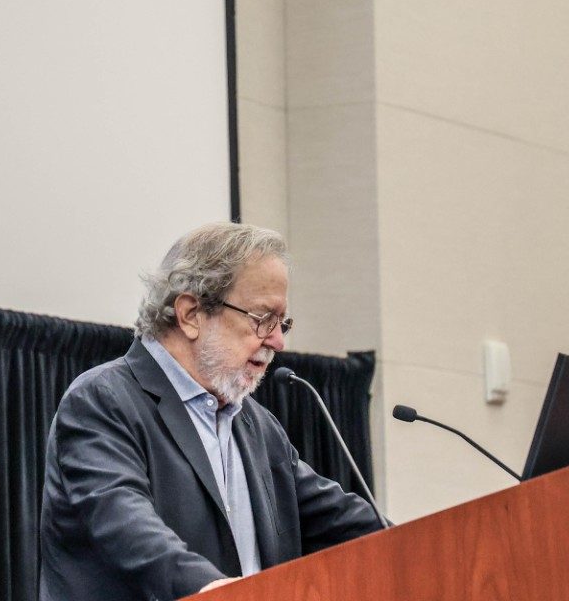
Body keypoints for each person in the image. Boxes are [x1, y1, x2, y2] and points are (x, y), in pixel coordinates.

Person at [39, 222, 384, 601]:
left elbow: (338, 519)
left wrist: (438, 544)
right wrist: (212, 590)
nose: (278, 340)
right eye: (262, 319)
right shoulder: (102, 402)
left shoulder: (257, 426)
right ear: (190, 314)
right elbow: (124, 524)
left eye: (281, 323)